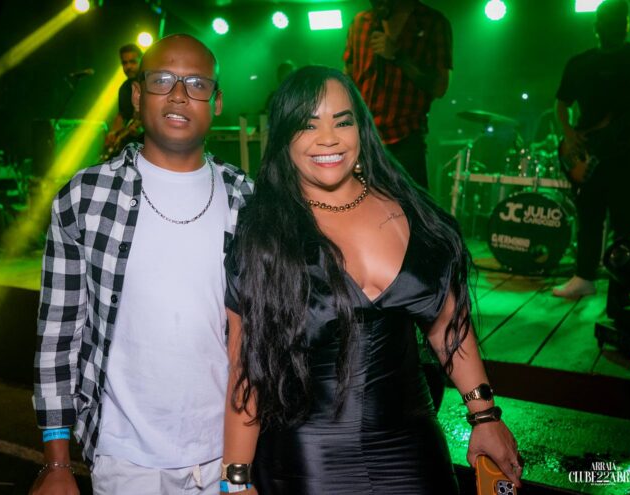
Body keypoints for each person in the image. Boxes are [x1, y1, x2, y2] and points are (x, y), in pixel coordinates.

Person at [221, 66, 521, 494]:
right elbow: (246, 369)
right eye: (308, 125)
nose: (328, 138)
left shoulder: (411, 212)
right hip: (309, 460)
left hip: (413, 449)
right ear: (285, 137)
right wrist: (235, 480)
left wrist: (485, 416)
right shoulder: (267, 235)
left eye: (342, 122)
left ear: (362, 130)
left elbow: (447, 327)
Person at [31, 34, 253, 495]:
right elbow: (58, 332)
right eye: (162, 80)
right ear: (137, 95)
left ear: (216, 101)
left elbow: (260, 345)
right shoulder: (84, 196)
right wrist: (56, 463)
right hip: (125, 461)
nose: (179, 95)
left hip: (226, 454)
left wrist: (240, 472)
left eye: (196, 83)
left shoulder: (247, 200)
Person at [552, 0, 630, 316]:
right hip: (588, 152)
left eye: (616, 20)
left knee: (627, 224)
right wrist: (569, 134)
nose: (611, 25)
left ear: (626, 24)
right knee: (589, 217)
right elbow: (561, 104)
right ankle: (584, 277)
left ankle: (623, 290)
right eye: (607, 20)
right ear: (597, 25)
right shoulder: (580, 63)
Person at [344, 0, 452, 190]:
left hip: (405, 139)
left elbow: (439, 87)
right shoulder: (361, 22)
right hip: (362, 139)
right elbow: (348, 78)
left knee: (410, 206)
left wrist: (397, 55)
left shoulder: (432, 22)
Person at [104, 43, 143, 156]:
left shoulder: (153, 83)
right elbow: (122, 114)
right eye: (125, 63)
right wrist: (114, 133)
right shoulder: (124, 88)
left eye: (133, 62)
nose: (128, 67)